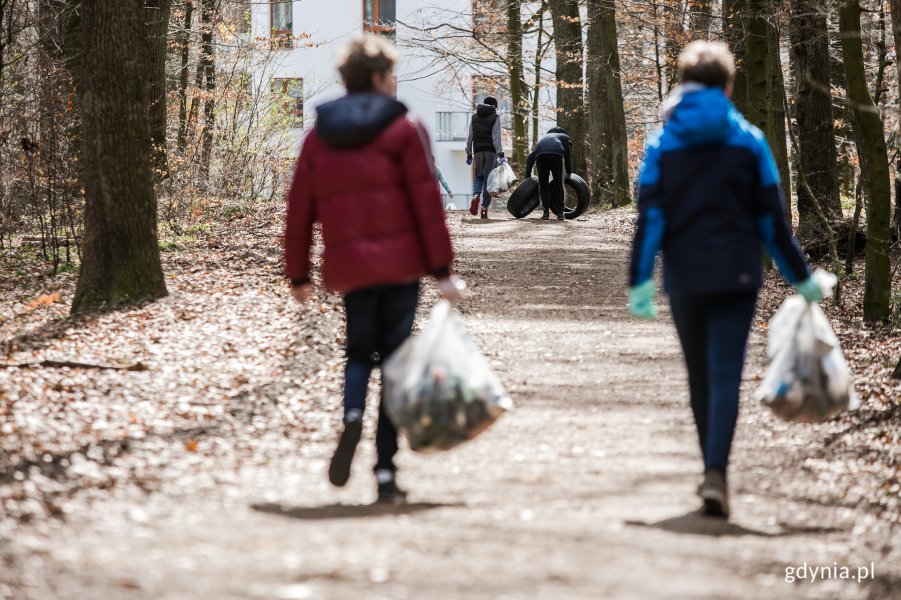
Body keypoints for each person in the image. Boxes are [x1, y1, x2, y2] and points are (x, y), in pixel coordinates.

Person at [627, 40, 823, 519]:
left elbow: (650, 219)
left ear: (682, 84)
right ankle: (716, 472)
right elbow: (772, 222)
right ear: (729, 87)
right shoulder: (750, 140)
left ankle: (709, 471)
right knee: (724, 377)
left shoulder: (661, 144)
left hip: (685, 276)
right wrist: (802, 279)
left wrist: (640, 280)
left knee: (699, 378)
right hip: (738, 274)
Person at [284, 35, 463, 503]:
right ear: (381, 78)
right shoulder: (407, 129)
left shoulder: (318, 136)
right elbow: (427, 204)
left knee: (359, 354)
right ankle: (385, 472)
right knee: (397, 364)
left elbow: (299, 209)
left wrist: (298, 274)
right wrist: (442, 270)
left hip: (350, 267)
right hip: (402, 268)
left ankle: (349, 417)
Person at [465, 96, 506, 219]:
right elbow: (496, 138)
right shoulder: (495, 117)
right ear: (494, 106)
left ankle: (475, 196)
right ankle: (484, 208)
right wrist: (501, 154)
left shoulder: (474, 117)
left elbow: (470, 137)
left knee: (478, 176)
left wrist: (469, 153)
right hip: (490, 152)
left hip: (477, 151)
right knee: (489, 180)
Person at [525, 127, 573, 220]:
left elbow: (530, 158)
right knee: (558, 184)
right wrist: (569, 173)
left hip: (541, 156)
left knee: (543, 186)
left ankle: (545, 212)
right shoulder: (565, 137)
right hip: (556, 156)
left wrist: (527, 177)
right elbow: (567, 156)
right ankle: (560, 213)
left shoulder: (544, 138)